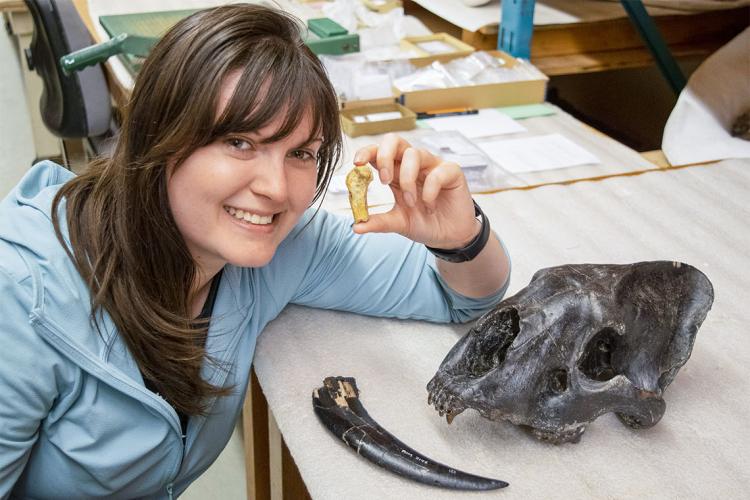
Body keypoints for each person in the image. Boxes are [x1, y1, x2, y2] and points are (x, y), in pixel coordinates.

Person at [0, 4, 510, 498]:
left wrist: (460, 239)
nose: (275, 188)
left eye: (300, 153)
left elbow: (458, 297)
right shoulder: (20, 297)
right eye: (240, 142)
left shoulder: (282, 245)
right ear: (158, 133)